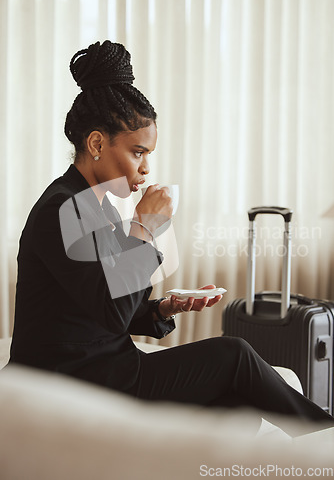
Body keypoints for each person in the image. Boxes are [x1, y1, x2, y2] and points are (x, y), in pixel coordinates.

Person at [9, 40, 334, 437]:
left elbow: (104, 308)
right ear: (96, 144)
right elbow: (111, 312)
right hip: (75, 379)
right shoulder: (63, 209)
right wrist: (145, 225)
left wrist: (163, 308)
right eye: (138, 152)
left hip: (102, 367)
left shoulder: (94, 205)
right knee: (233, 355)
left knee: (237, 405)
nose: (146, 168)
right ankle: (325, 439)